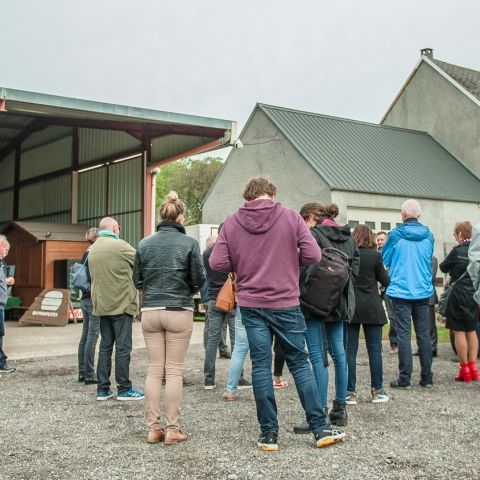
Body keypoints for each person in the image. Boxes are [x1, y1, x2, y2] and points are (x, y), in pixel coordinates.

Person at [210, 177, 345, 451]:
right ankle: (319, 429)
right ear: (271, 193)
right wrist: (287, 258)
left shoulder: (232, 222)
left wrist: (243, 262)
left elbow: (217, 262)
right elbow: (313, 255)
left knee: (261, 365)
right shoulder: (290, 217)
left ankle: (268, 435)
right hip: (285, 301)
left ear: (247, 196)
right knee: (299, 362)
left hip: (250, 303)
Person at [133, 191, 205, 444]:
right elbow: (199, 278)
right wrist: (188, 290)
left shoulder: (144, 243)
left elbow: (137, 280)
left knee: (154, 370)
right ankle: (173, 429)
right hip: (178, 309)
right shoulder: (189, 244)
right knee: (173, 371)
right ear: (181, 217)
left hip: (150, 310)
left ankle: (153, 428)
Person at [295, 202, 359, 432]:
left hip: (314, 302)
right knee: (339, 353)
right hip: (340, 303)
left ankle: (319, 411)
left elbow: (304, 267)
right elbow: (356, 271)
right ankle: (340, 408)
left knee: (316, 356)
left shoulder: (312, 234)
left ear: (311, 217)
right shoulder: (348, 237)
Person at [88, 217, 144, 401]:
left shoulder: (93, 248)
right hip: (121, 304)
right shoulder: (119, 245)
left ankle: (102, 389)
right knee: (123, 347)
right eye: (118, 227)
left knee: (105, 347)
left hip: (102, 306)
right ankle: (124, 388)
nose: (119, 230)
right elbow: (141, 261)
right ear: (113, 228)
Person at [382, 199, 434, 389]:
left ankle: (405, 379)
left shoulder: (395, 235)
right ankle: (427, 378)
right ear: (418, 215)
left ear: (403, 215)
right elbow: (428, 258)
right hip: (422, 289)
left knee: (403, 334)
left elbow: (385, 259)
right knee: (423, 334)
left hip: (401, 290)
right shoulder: (429, 235)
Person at [345, 224, 389, 404]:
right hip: (372, 305)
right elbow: (386, 280)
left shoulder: (348, 256)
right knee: (374, 350)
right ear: (371, 238)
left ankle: (349, 392)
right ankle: (377, 391)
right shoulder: (376, 256)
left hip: (352, 306)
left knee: (350, 351)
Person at [440, 222, 478, 382]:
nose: (455, 238)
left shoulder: (457, 251)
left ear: (461, 234)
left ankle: (465, 369)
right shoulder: (477, 251)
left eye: (455, 235)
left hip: (457, 294)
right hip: (474, 293)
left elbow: (443, 267)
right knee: (471, 330)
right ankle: (474, 367)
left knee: (458, 331)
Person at [203, 229, 238, 389]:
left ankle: (209, 379)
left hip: (213, 299)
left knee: (212, 340)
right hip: (230, 300)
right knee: (236, 340)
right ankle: (239, 378)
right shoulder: (231, 252)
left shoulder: (206, 253)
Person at [77, 227, 100, 385]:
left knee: (85, 337)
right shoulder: (95, 253)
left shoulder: (85, 252)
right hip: (93, 299)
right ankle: (90, 375)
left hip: (84, 298)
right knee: (92, 337)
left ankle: (82, 372)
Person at [202, 236, 230, 359]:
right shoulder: (207, 257)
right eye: (213, 244)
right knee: (210, 326)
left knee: (221, 325)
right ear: (208, 245)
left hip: (218, 296)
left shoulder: (212, 256)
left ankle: (222, 349)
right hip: (210, 296)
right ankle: (209, 349)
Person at [223, 306, 252, 400]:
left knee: (239, 348)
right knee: (261, 350)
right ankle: (258, 392)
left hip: (244, 302)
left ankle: (230, 390)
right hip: (267, 303)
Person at [376, 231, 398, 355]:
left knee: (393, 317)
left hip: (389, 288)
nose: (379, 242)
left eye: (382, 239)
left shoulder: (392, 253)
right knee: (377, 317)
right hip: (378, 289)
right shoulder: (375, 253)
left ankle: (394, 344)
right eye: (378, 239)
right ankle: (376, 343)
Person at [0, 235, 15, 374]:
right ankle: (1, 363)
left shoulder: (1, 263)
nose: (6, 252)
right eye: (6, 249)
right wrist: (6, 281)